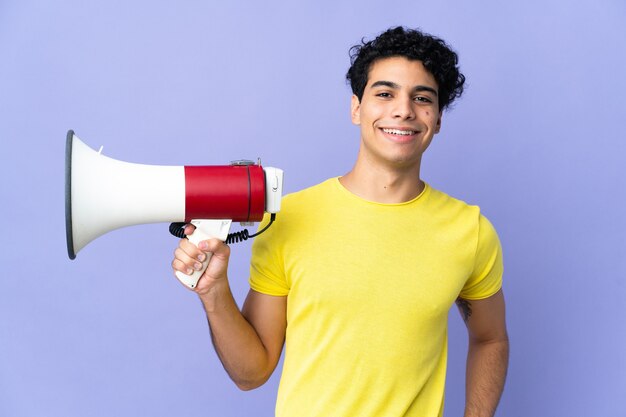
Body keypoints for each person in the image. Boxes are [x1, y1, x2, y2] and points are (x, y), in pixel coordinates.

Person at [172, 26, 509, 417]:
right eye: (385, 94)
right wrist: (214, 294)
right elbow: (252, 373)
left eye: (422, 98)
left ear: (437, 119)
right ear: (356, 108)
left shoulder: (470, 231)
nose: (403, 110)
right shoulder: (290, 218)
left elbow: (490, 339)